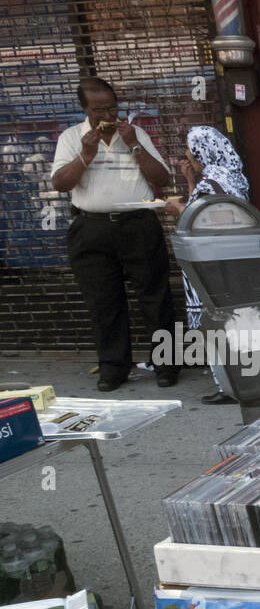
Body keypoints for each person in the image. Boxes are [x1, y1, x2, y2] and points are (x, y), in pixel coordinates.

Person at [50, 76, 180, 391]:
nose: (107, 115)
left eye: (112, 107)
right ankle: (113, 368)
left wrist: (134, 145)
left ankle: (167, 365)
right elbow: (60, 184)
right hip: (90, 228)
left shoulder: (134, 133)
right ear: (84, 108)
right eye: (98, 110)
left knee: (155, 296)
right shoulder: (71, 138)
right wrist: (85, 155)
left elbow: (161, 176)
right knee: (103, 301)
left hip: (137, 223)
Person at [163, 126, 252, 406]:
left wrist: (176, 210)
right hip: (229, 263)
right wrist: (190, 180)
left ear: (202, 150)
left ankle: (228, 386)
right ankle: (244, 379)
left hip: (209, 267)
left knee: (214, 326)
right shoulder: (229, 177)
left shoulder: (211, 183)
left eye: (190, 148)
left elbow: (198, 220)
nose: (187, 154)